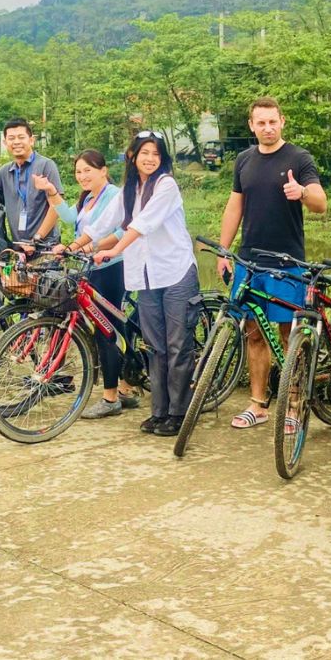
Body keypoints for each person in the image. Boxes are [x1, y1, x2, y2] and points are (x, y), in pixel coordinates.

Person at [216, 98, 326, 429]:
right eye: (261, 122)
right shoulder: (244, 160)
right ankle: (258, 404)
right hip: (250, 261)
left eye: (272, 122)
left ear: (282, 122)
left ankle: (293, 405)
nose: (267, 128)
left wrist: (301, 193)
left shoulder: (299, 158)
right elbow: (235, 206)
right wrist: (224, 250)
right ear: (252, 125)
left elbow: (321, 203)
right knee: (253, 334)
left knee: (288, 335)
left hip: (287, 262)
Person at [92, 133, 200, 437]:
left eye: (156, 154)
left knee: (177, 346)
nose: (150, 159)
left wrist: (114, 249)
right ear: (132, 156)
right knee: (155, 347)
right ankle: (159, 411)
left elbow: (143, 224)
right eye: (144, 153)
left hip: (176, 272)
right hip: (147, 277)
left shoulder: (166, 185)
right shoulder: (129, 190)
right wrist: (74, 244)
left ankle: (179, 413)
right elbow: (103, 223)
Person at [46, 150, 136, 419]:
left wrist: (88, 247)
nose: (82, 176)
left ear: (103, 170)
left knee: (107, 330)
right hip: (90, 267)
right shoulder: (87, 198)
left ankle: (111, 398)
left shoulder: (114, 195)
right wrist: (51, 192)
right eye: (78, 171)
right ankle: (126, 387)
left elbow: (121, 231)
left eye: (88, 170)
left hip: (111, 267)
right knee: (111, 329)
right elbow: (70, 219)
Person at [0, 118, 62, 246]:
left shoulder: (46, 165)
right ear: (5, 143)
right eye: (11, 138)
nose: (16, 142)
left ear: (31, 140)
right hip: (19, 247)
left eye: (21, 137)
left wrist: (37, 238)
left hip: (46, 246)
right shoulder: (4, 172)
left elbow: (56, 207)